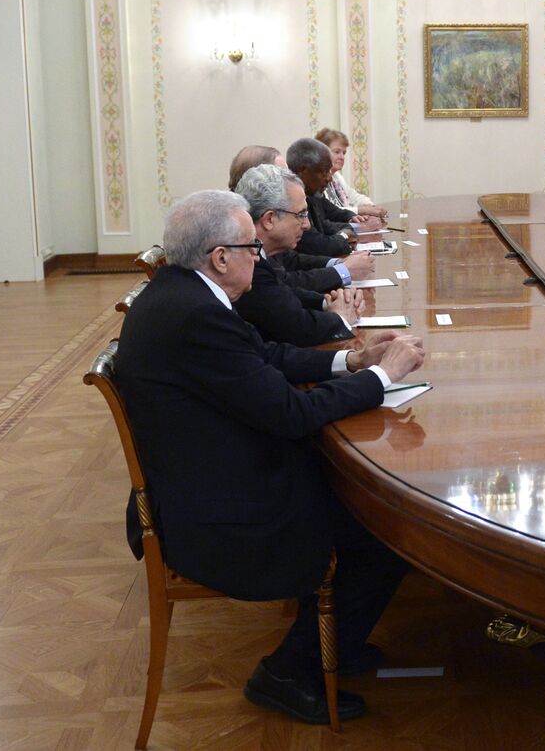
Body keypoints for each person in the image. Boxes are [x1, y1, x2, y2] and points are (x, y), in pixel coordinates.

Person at [115, 189, 426, 725]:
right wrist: (383, 377)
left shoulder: (186, 295)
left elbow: (264, 356)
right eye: (251, 249)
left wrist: (353, 360)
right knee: (388, 528)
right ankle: (288, 671)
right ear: (220, 257)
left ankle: (334, 642)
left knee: (367, 509)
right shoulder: (194, 316)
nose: (260, 259)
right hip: (219, 512)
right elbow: (289, 414)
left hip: (208, 474)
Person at [234, 164, 362, 346]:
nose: (307, 225)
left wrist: (328, 301)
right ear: (269, 219)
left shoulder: (260, 250)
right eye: (301, 215)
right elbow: (296, 327)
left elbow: (282, 290)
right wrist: (340, 317)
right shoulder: (245, 261)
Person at [226, 144, 377, 290]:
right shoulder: (239, 238)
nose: (290, 180)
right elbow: (282, 285)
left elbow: (290, 260)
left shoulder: (296, 203)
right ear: (258, 181)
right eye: (282, 175)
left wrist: (339, 263)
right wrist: (343, 270)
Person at [286, 138, 379, 258]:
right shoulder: (290, 202)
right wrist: (346, 235)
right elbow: (319, 246)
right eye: (324, 172)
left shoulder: (313, 194)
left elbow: (328, 221)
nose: (329, 178)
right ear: (303, 171)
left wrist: (356, 226)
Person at [316, 128, 387, 223]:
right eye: (337, 152)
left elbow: (353, 197)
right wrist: (362, 210)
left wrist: (371, 207)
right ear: (322, 152)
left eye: (344, 153)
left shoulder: (336, 176)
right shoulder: (316, 179)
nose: (342, 157)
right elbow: (331, 212)